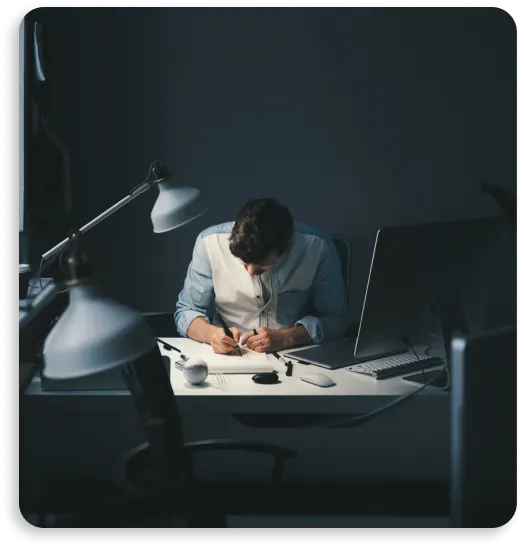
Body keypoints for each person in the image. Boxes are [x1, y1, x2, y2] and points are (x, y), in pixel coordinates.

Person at [175, 198, 349, 354]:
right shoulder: (209, 243)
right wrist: (211, 334)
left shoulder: (318, 247)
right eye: (244, 263)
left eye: (260, 264)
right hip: (229, 356)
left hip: (294, 356)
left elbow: (336, 320)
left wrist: (288, 338)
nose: (250, 272)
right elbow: (186, 312)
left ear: (286, 245)